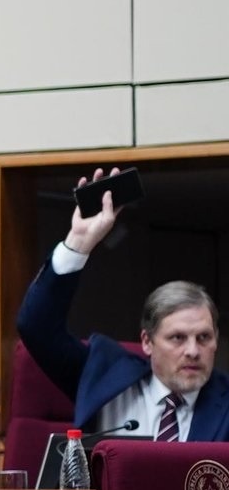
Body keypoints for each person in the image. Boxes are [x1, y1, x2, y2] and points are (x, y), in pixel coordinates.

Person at [16, 168, 226, 441]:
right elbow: (35, 327)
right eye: (177, 338)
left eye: (203, 338)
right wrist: (78, 243)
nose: (192, 351)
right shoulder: (104, 378)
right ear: (147, 342)